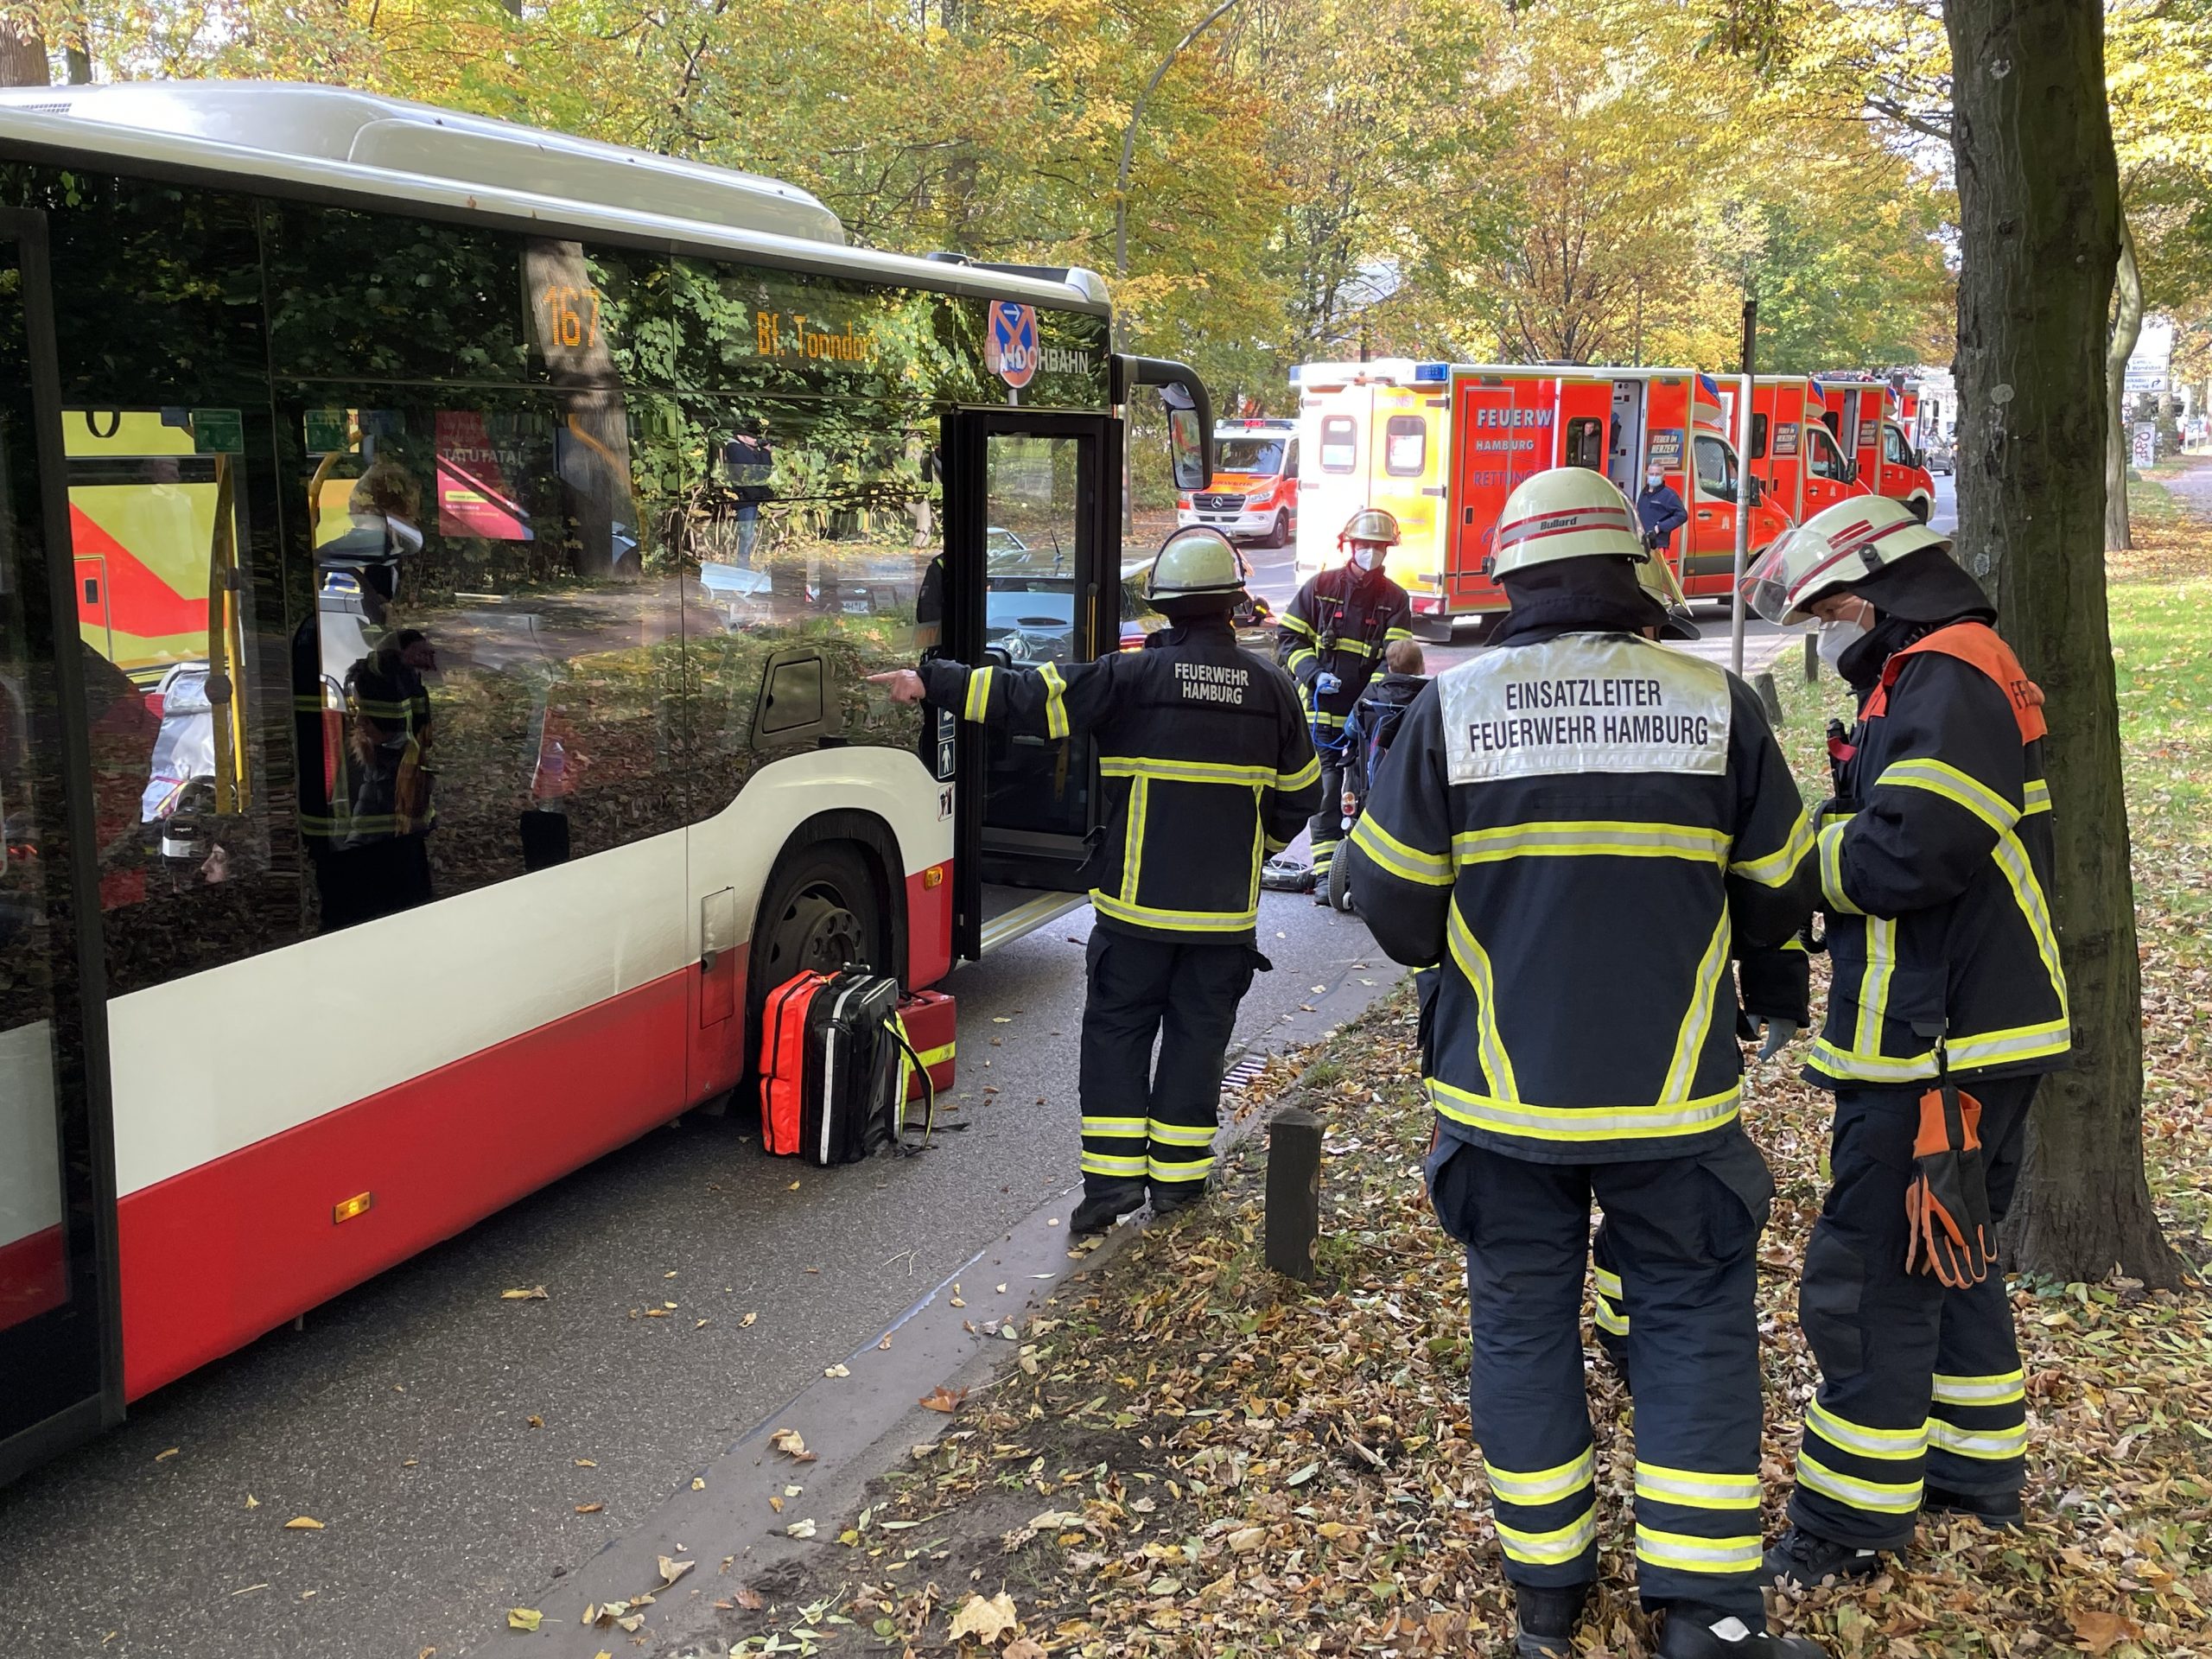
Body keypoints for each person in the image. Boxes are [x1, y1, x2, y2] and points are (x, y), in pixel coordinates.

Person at [1344, 467, 1821, 1659]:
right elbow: (1780, 897)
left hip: (1500, 1100)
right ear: (1632, 572)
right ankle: (1709, 1617)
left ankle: (1548, 1598)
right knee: (1693, 1320)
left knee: (1519, 1322)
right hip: (1677, 1104)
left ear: (1509, 579)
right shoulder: (1719, 704)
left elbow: (1394, 907)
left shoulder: (1453, 711)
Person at [1740, 497, 2069, 1588]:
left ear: (1879, 585)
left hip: (1940, 1043)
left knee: (1870, 1276)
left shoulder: (1949, 672)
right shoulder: (1933, 671)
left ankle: (1843, 1530)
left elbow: (1901, 858)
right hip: (1966, 1030)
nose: (1828, 626)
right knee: (1949, 1252)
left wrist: (1801, 858)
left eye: (1832, 604)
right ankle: (1974, 1475)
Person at [870, 527, 1319, 1235]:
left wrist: (934, 682)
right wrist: (1249, 849)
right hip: (1222, 925)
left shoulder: (1131, 677)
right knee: (1198, 1048)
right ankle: (1178, 1189)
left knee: (1116, 1039)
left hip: (1135, 918)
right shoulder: (1272, 689)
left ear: (1165, 605)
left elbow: (1027, 699)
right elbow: (1302, 797)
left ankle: (1110, 1193)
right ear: (1233, 603)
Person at [1276, 507, 1413, 895]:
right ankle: (1325, 875)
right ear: (1349, 546)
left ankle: (1359, 873)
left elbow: (1396, 659)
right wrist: (1314, 674)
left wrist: (1367, 700)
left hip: (1367, 720)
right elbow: (1289, 639)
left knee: (1366, 795)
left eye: (1379, 546)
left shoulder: (1395, 600)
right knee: (1326, 792)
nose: (1371, 552)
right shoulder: (1320, 587)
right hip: (1320, 715)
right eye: (1365, 545)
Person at [1637, 463, 1689, 557]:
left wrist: (1660, 527)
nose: (1654, 476)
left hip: (1658, 546)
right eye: (1651, 474)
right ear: (1647, 475)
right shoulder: (1644, 493)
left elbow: (1682, 515)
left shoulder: (1669, 495)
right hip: (1642, 544)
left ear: (1663, 476)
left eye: (1657, 474)